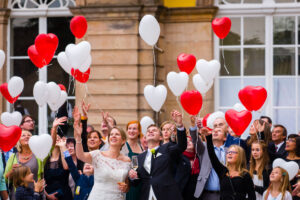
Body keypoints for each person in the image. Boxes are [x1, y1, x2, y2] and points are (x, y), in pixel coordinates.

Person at [74, 106, 131, 200]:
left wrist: (126, 187)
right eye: (111, 134)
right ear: (108, 139)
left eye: (117, 134)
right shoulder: (98, 155)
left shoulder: (127, 160)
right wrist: (78, 137)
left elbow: (126, 182)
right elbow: (80, 155)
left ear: (123, 140)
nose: (113, 136)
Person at [128, 110, 187, 200]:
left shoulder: (167, 148)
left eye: (154, 131)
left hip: (167, 195)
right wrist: (132, 177)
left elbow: (182, 145)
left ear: (160, 137)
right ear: (145, 137)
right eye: (148, 131)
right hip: (146, 195)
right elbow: (135, 182)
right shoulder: (136, 158)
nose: (150, 132)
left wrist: (179, 125)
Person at [4, 117, 66, 200]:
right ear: (18, 141)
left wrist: (54, 128)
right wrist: (12, 171)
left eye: (29, 135)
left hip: (37, 195)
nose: (27, 137)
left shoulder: (38, 154)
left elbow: (51, 145)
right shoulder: (13, 157)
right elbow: (5, 178)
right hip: (18, 196)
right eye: (23, 135)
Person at [204, 130, 256, 200]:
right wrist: (208, 137)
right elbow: (212, 156)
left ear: (240, 156)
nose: (229, 153)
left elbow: (252, 197)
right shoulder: (223, 171)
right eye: (228, 152)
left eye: (233, 152)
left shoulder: (245, 174)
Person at [200, 127, 227, 199]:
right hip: (208, 194)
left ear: (225, 138)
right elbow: (194, 140)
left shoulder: (230, 151)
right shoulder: (204, 148)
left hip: (226, 194)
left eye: (219, 130)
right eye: (213, 131)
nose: (215, 132)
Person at [121, 121, 143, 200]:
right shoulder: (123, 146)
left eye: (134, 129)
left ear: (139, 131)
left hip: (139, 184)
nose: (131, 131)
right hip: (127, 184)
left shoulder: (141, 147)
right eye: (129, 128)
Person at [284, 134, 300, 200]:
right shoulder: (281, 160)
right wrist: (286, 174)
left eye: (291, 141)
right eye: (287, 140)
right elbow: (281, 174)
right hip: (283, 194)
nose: (287, 142)